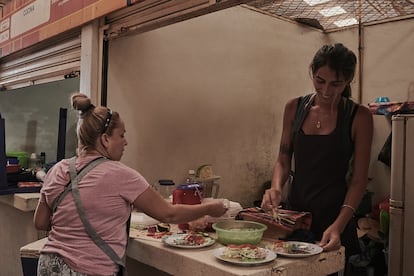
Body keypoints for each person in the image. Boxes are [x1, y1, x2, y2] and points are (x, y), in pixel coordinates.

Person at [34, 93, 228, 276]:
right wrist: (211, 207)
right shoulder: (120, 174)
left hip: (48, 266)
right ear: (105, 139)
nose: (125, 142)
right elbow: (169, 213)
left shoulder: (58, 169)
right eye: (121, 135)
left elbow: (40, 222)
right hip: (89, 269)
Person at [261, 43, 373, 260]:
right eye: (320, 81)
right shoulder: (294, 107)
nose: (326, 91)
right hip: (297, 217)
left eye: (336, 84)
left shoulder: (359, 117)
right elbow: (284, 158)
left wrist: (338, 226)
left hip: (336, 217)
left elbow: (359, 180)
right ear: (312, 71)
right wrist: (275, 187)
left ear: (348, 81)